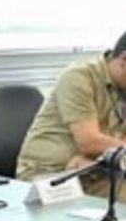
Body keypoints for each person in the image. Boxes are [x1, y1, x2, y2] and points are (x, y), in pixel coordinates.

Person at [16, 31, 126, 196]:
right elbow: (90, 143)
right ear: (124, 59)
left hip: (96, 171)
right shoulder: (79, 77)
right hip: (52, 174)